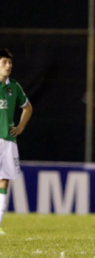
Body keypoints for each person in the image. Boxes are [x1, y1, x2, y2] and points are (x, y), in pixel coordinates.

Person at [0, 49, 32, 235]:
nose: (9, 65)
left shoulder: (14, 86)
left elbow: (27, 108)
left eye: (10, 63)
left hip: (7, 141)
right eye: (4, 62)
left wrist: (20, 127)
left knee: (4, 181)